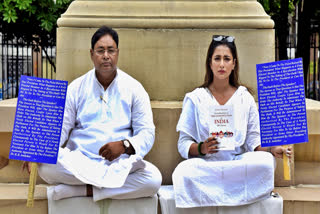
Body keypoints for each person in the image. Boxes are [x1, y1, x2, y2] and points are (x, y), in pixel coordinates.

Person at [23, 26, 162, 201]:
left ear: (117, 53)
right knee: (45, 167)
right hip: (81, 162)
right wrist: (36, 152)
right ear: (91, 54)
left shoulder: (134, 88)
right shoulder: (76, 87)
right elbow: (61, 128)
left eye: (111, 50)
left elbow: (147, 133)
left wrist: (124, 145)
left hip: (118, 164)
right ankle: (102, 188)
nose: (106, 56)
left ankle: (81, 191)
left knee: (153, 179)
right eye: (100, 50)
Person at [172, 35, 292, 208]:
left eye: (226, 59)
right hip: (207, 166)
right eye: (217, 58)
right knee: (183, 172)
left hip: (237, 164)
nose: (222, 64)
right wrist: (201, 148)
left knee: (266, 162)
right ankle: (234, 194)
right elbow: (183, 144)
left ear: (234, 63)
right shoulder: (195, 98)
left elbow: (253, 141)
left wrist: (273, 148)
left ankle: (222, 193)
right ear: (210, 62)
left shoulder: (245, 98)